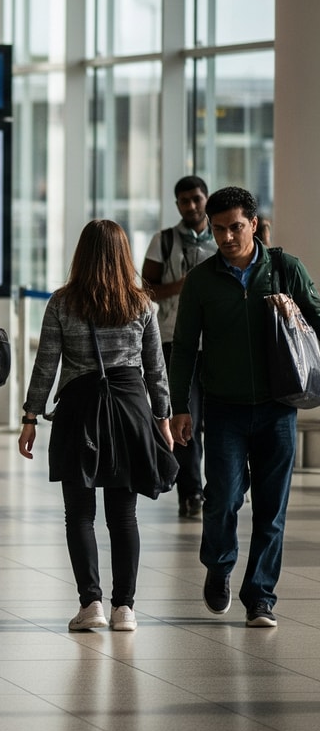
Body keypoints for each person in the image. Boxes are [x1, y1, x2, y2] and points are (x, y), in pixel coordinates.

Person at [170, 187, 320, 628]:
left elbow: (317, 318)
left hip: (278, 408)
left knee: (271, 509)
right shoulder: (201, 280)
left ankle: (260, 596)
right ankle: (218, 566)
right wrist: (180, 407)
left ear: (253, 224)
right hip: (224, 409)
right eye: (219, 229)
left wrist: (296, 313)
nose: (227, 237)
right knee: (222, 501)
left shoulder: (285, 269)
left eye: (236, 227)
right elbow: (183, 349)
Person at [19, 220, 173, 633]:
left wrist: (30, 416)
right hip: (129, 412)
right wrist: (163, 419)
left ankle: (92, 605)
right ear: (124, 255)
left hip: (79, 412)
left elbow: (45, 365)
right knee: (123, 516)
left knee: (79, 514)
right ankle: (126, 609)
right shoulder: (142, 304)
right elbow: (156, 370)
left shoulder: (62, 303)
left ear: (81, 254)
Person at [141, 175, 214, 518]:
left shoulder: (224, 237)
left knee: (219, 421)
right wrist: (182, 286)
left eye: (197, 199)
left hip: (219, 344)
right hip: (176, 341)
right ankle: (192, 493)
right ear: (177, 205)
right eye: (184, 201)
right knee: (186, 420)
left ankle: (219, 489)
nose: (191, 206)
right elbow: (146, 289)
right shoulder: (164, 241)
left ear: (206, 198)